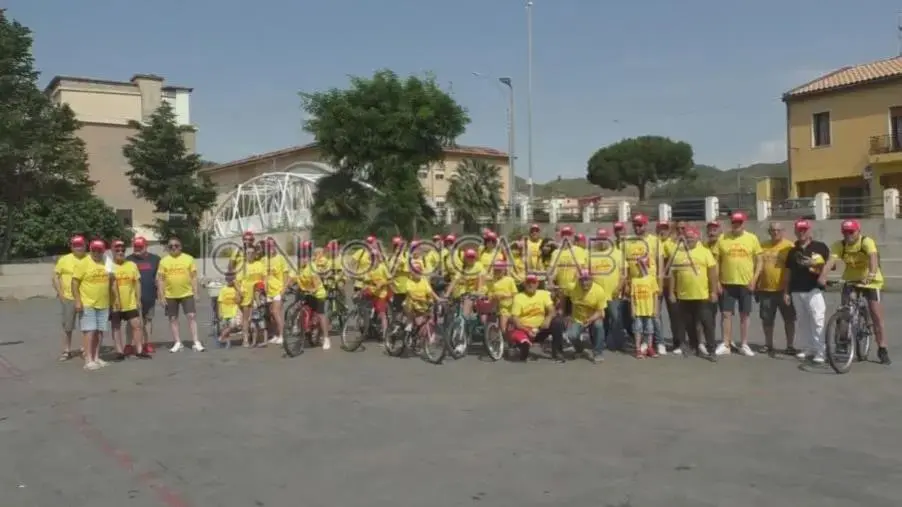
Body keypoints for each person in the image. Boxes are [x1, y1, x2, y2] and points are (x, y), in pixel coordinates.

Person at [821, 219, 890, 365]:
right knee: (845, 310)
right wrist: (823, 276)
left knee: (876, 314)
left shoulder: (866, 242)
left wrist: (870, 275)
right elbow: (830, 262)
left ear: (858, 231)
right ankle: (842, 342)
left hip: (871, 281)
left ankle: (882, 348)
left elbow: (873, 258)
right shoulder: (839, 245)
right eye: (845, 232)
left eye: (851, 232)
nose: (848, 235)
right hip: (851, 280)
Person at [667, 227, 718, 361]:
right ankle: (694, 346)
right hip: (684, 296)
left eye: (692, 237)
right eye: (687, 237)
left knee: (707, 323)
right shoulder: (678, 253)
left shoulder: (705, 252)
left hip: (702, 295)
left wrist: (713, 291)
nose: (689, 239)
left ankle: (711, 349)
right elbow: (673, 274)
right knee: (689, 324)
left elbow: (712, 273)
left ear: (697, 238)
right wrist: (672, 292)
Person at [783, 219, 830, 363]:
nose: (802, 232)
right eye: (799, 230)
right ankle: (808, 348)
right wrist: (786, 291)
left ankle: (821, 351)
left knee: (817, 320)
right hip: (797, 290)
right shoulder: (792, 250)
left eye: (804, 229)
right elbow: (788, 272)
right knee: (803, 322)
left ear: (809, 231)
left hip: (814, 289)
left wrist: (815, 264)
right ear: (796, 232)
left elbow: (830, 266)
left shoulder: (820, 246)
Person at [715, 212, 760, 356]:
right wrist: (717, 281)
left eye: (739, 222)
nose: (736, 225)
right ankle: (726, 344)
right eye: (734, 222)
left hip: (746, 283)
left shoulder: (752, 238)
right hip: (727, 283)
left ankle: (744, 344)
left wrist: (754, 279)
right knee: (726, 314)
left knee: (744, 314)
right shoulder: (722, 238)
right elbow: (716, 262)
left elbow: (760, 261)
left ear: (744, 224)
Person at [72, 239, 116, 371]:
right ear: (90, 249)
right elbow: (74, 283)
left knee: (100, 332)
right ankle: (88, 360)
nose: (96, 252)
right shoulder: (83, 263)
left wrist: (115, 300)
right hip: (88, 303)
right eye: (94, 250)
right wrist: (78, 300)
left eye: (99, 250)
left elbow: (112, 281)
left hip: (103, 303)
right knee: (89, 331)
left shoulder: (107, 262)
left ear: (103, 251)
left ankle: (96, 357)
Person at [755, 222, 796, 356]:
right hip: (766, 290)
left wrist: (788, 290)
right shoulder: (762, 246)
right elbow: (757, 267)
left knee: (789, 319)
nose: (775, 233)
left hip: (784, 290)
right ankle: (768, 344)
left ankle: (790, 345)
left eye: (778, 230)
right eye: (773, 230)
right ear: (769, 232)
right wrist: (756, 285)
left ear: (783, 231)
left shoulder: (790, 246)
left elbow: (793, 269)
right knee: (767, 319)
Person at [624, 213, 663, 354]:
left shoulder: (655, 241)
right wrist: (627, 283)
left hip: (651, 284)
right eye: (635, 225)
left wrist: (660, 284)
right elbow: (626, 265)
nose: (637, 228)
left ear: (646, 225)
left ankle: (658, 343)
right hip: (636, 284)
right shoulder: (628, 242)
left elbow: (660, 265)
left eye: (640, 225)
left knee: (654, 317)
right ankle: (640, 345)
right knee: (638, 316)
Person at [157, 236, 204, 352]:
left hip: (187, 293)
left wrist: (196, 292)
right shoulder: (164, 261)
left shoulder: (188, 259)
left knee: (191, 316)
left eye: (176, 246)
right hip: (170, 295)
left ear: (181, 247)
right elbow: (160, 280)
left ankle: (196, 341)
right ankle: (178, 342)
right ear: (168, 248)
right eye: (171, 246)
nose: (173, 248)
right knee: (173, 318)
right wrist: (161, 296)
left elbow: (193, 277)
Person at [509, 274, 565, 363]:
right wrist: (527, 330)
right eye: (528, 283)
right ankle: (520, 348)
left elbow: (552, 310)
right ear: (524, 284)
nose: (531, 285)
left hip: (540, 329)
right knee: (523, 353)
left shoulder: (543, 294)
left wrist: (548, 318)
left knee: (557, 322)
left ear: (537, 284)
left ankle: (557, 353)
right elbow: (515, 319)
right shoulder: (518, 297)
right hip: (525, 330)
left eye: (533, 282)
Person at [589, 228, 625, 350]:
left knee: (616, 319)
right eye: (600, 239)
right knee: (598, 320)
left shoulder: (617, 253)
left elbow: (623, 273)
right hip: (597, 295)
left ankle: (616, 343)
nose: (602, 241)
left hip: (613, 293)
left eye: (604, 239)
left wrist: (619, 287)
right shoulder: (591, 253)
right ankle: (598, 342)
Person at [53, 235, 87, 361]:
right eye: (76, 245)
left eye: (81, 245)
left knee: (86, 326)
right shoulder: (64, 259)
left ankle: (85, 348)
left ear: (85, 246)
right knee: (68, 326)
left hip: (86, 298)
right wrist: (60, 293)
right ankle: (66, 350)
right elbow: (55, 276)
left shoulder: (89, 259)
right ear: (71, 246)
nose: (78, 248)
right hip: (68, 297)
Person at [110, 240, 145, 359]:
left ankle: (139, 350)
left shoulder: (131, 265)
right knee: (116, 327)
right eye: (117, 250)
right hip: (114, 303)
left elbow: (137, 283)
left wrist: (138, 299)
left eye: (122, 250)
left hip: (130, 302)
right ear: (112, 250)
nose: (120, 252)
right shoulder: (108, 266)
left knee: (137, 325)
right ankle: (119, 352)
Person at [566, 269, 608, 363]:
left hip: (593, 317)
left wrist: (590, 319)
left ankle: (598, 353)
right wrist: (566, 314)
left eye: (587, 280)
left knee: (599, 326)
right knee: (571, 335)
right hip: (577, 319)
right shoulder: (572, 287)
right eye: (582, 280)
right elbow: (563, 293)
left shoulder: (599, 291)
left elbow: (600, 311)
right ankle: (579, 349)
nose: (585, 283)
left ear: (592, 279)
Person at [126, 236, 160, 353]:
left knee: (148, 321)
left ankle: (147, 343)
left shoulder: (155, 259)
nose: (137, 249)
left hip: (149, 296)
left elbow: (159, 278)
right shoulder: (128, 260)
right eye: (135, 247)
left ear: (146, 246)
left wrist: (160, 293)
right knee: (132, 322)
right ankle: (129, 345)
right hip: (132, 297)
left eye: (140, 247)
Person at [295, 244, 330, 349]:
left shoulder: (312, 267)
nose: (303, 259)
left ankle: (326, 338)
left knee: (320, 314)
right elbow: (294, 279)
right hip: (307, 292)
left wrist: (311, 290)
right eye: (301, 257)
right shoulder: (299, 268)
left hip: (318, 293)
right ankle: (305, 330)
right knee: (302, 310)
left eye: (305, 257)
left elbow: (315, 284)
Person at [262, 237, 290, 345]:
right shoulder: (264, 260)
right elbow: (264, 276)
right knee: (271, 315)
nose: (270, 248)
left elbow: (286, 276)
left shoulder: (280, 258)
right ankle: (275, 334)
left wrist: (284, 290)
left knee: (276, 312)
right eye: (268, 246)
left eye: (272, 245)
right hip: (268, 291)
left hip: (278, 289)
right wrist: (264, 288)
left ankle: (282, 335)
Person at [237, 242, 266, 347]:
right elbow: (237, 281)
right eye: (247, 253)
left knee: (259, 317)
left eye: (251, 253)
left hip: (258, 294)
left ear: (255, 254)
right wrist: (239, 292)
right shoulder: (242, 266)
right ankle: (245, 339)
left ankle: (259, 338)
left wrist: (264, 290)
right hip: (246, 293)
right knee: (246, 318)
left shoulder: (259, 264)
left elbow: (264, 278)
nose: (249, 255)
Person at [629, 257, 659, 358]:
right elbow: (632, 296)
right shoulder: (634, 280)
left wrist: (655, 308)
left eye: (643, 266)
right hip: (638, 309)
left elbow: (655, 295)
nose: (641, 268)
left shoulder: (651, 279)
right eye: (639, 266)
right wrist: (632, 309)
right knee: (638, 329)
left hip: (649, 309)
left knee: (650, 329)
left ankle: (649, 347)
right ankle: (638, 349)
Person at [486, 261, 518, 332]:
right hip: (495, 306)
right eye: (496, 270)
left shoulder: (509, 280)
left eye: (499, 270)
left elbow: (515, 293)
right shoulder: (492, 281)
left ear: (504, 270)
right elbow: (490, 294)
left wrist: (504, 296)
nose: (497, 272)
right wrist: (493, 296)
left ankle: (505, 338)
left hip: (507, 307)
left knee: (503, 325)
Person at [216, 271, 242, 347]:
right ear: (226, 280)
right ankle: (228, 343)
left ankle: (221, 337)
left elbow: (239, 300)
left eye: (232, 280)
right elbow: (219, 302)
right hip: (225, 311)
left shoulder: (237, 289)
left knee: (233, 325)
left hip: (234, 311)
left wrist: (237, 288)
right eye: (229, 280)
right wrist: (219, 312)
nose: (231, 281)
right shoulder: (223, 289)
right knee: (226, 327)